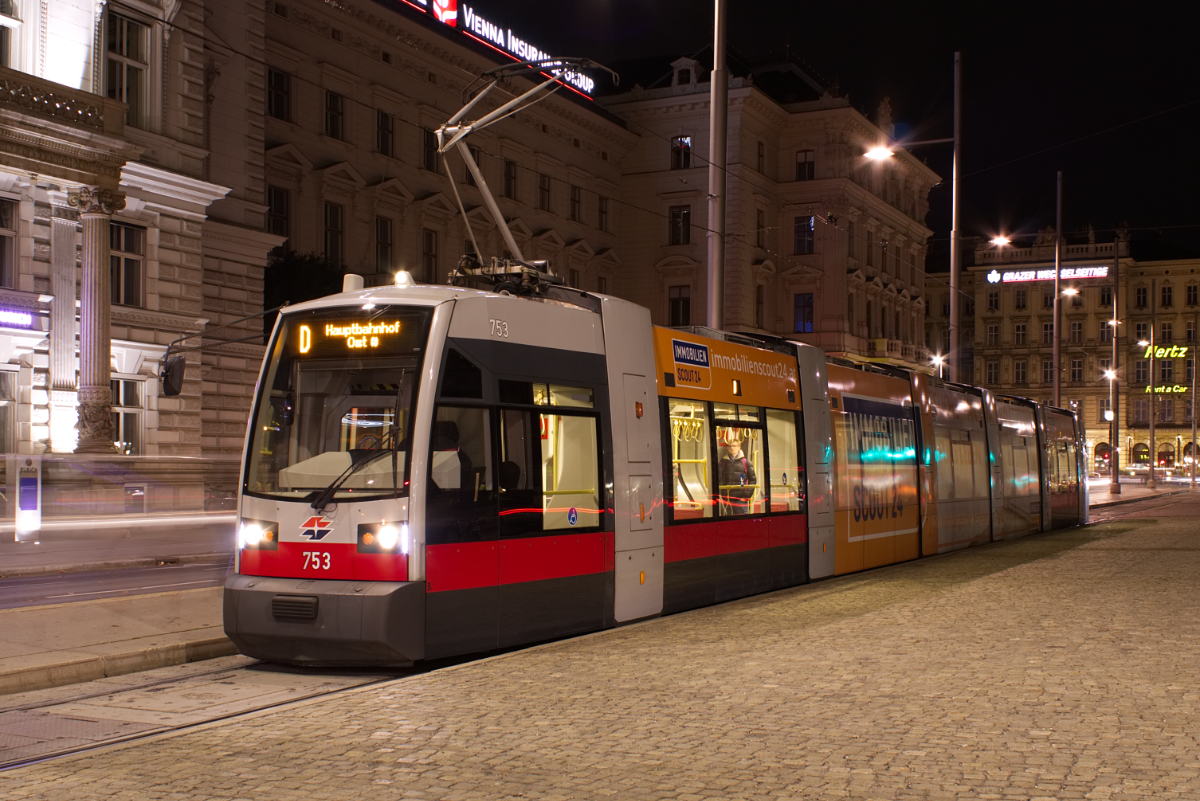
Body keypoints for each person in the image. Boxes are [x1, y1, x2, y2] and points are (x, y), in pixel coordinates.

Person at [718, 432, 757, 514]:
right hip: (727, 499)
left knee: (743, 522)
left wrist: (746, 497)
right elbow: (718, 478)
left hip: (741, 499)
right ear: (727, 448)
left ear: (739, 447)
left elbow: (752, 480)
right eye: (730, 446)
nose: (732, 448)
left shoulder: (746, 462)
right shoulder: (723, 462)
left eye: (734, 446)